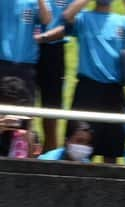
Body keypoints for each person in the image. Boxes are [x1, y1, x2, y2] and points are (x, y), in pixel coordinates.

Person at [62, 0, 125, 163]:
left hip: (114, 91)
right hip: (88, 89)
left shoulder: (123, 21)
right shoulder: (84, 17)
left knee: (112, 149)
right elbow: (67, 16)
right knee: (79, 146)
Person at [0, 0, 51, 103]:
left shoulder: (34, 2)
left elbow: (46, 20)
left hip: (26, 63)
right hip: (2, 61)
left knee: (25, 107)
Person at [33, 0, 68, 152]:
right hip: (23, 50)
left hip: (53, 52)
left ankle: (49, 164)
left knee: (51, 116)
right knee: (21, 111)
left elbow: (69, 24)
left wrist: (42, 37)